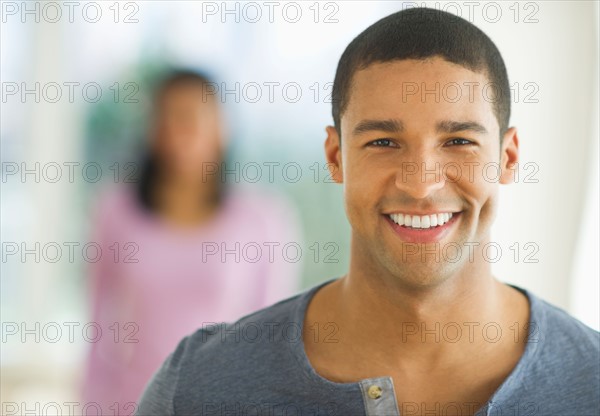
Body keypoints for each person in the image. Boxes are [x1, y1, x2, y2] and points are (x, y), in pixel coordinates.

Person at [137, 9, 599, 416]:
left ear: (508, 158)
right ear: (336, 157)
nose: (421, 185)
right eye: (382, 142)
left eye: (459, 141)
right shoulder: (199, 387)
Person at [81, 69, 302, 413]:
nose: (176, 134)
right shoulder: (116, 211)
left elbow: (273, 341)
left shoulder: (262, 219)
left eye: (189, 119)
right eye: (165, 119)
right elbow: (98, 327)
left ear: (220, 129)